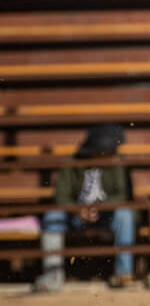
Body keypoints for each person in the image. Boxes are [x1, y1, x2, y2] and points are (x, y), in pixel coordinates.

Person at [35, 124, 136, 292]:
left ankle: (123, 274)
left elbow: (123, 195)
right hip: (75, 216)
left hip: (106, 215)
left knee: (125, 215)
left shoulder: (117, 162)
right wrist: (77, 210)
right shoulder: (72, 162)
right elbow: (60, 197)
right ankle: (53, 275)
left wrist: (100, 207)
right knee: (52, 216)